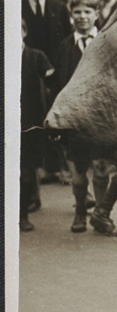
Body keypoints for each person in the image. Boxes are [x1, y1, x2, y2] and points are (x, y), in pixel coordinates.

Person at [53, 0, 113, 232]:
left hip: (100, 117)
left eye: (87, 12)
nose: (82, 17)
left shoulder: (106, 43)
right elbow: (58, 86)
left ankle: (100, 213)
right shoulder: (63, 47)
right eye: (77, 12)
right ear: (71, 16)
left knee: (101, 167)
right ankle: (80, 211)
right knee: (78, 173)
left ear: (97, 14)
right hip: (74, 119)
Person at [22, 0, 73, 188]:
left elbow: (67, 42)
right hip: (28, 73)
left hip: (54, 74)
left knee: (56, 118)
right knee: (32, 119)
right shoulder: (16, 7)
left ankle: (61, 168)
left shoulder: (59, 7)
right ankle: (35, 172)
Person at [20, 19, 54, 231]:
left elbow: (52, 78)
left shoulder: (36, 56)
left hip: (30, 122)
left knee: (27, 171)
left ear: (23, 32)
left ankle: (23, 215)